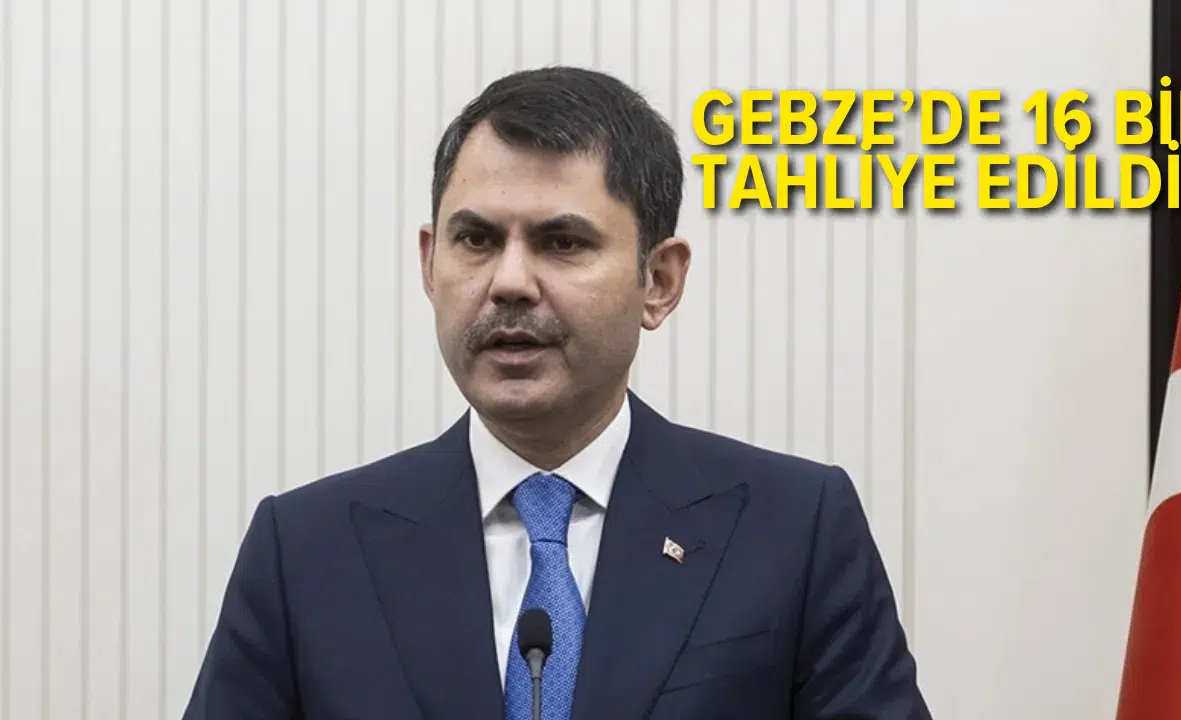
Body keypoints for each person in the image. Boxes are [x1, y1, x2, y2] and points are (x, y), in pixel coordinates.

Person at [183, 66, 931, 720]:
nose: (509, 281)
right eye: (476, 240)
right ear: (429, 263)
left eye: (562, 242)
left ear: (658, 280)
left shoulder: (794, 529)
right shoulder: (307, 550)